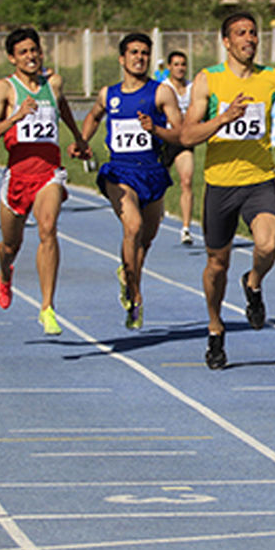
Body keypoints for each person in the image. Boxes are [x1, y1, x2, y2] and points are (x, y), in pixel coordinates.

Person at [180, 11, 275, 370]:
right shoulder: (208, 80)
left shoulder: (271, 78)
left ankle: (253, 282)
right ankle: (216, 328)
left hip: (259, 179)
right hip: (220, 185)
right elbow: (188, 136)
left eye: (253, 33)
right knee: (217, 265)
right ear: (226, 41)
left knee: (267, 244)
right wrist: (222, 119)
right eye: (241, 34)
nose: (249, 39)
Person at [0, 27, 92, 335]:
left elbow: (62, 104)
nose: (31, 56)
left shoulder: (53, 83)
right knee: (10, 245)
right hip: (17, 176)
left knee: (47, 229)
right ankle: (5, 273)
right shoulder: (4, 89)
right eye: (24, 52)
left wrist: (79, 137)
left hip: (48, 173)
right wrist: (15, 116)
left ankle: (47, 307)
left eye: (35, 50)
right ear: (12, 58)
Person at [79, 33, 184, 330]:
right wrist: (82, 140)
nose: (139, 58)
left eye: (144, 53)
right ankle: (135, 295)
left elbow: (182, 133)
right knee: (133, 226)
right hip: (120, 172)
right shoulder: (108, 94)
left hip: (152, 171)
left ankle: (128, 274)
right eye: (133, 52)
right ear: (122, 59)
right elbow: (93, 116)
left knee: (145, 241)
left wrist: (157, 131)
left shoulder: (161, 93)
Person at [159, 50, 197, 245]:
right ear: (169, 68)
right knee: (160, 181)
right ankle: (158, 209)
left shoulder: (192, 88)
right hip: (165, 139)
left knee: (187, 181)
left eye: (183, 64)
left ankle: (186, 228)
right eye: (176, 64)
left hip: (183, 141)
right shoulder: (163, 88)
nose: (180, 68)